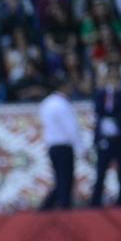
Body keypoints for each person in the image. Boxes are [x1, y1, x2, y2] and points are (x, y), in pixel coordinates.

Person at [90, 66, 121, 208]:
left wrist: (115, 95)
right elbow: (100, 111)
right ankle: (95, 202)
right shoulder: (100, 95)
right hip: (104, 139)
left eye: (115, 78)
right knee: (101, 172)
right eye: (110, 78)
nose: (112, 81)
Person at [39, 80, 82, 210]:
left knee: (60, 180)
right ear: (63, 86)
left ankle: (47, 208)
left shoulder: (46, 103)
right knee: (65, 181)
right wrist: (81, 148)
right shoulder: (63, 104)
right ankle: (62, 209)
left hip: (52, 146)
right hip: (64, 145)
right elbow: (71, 128)